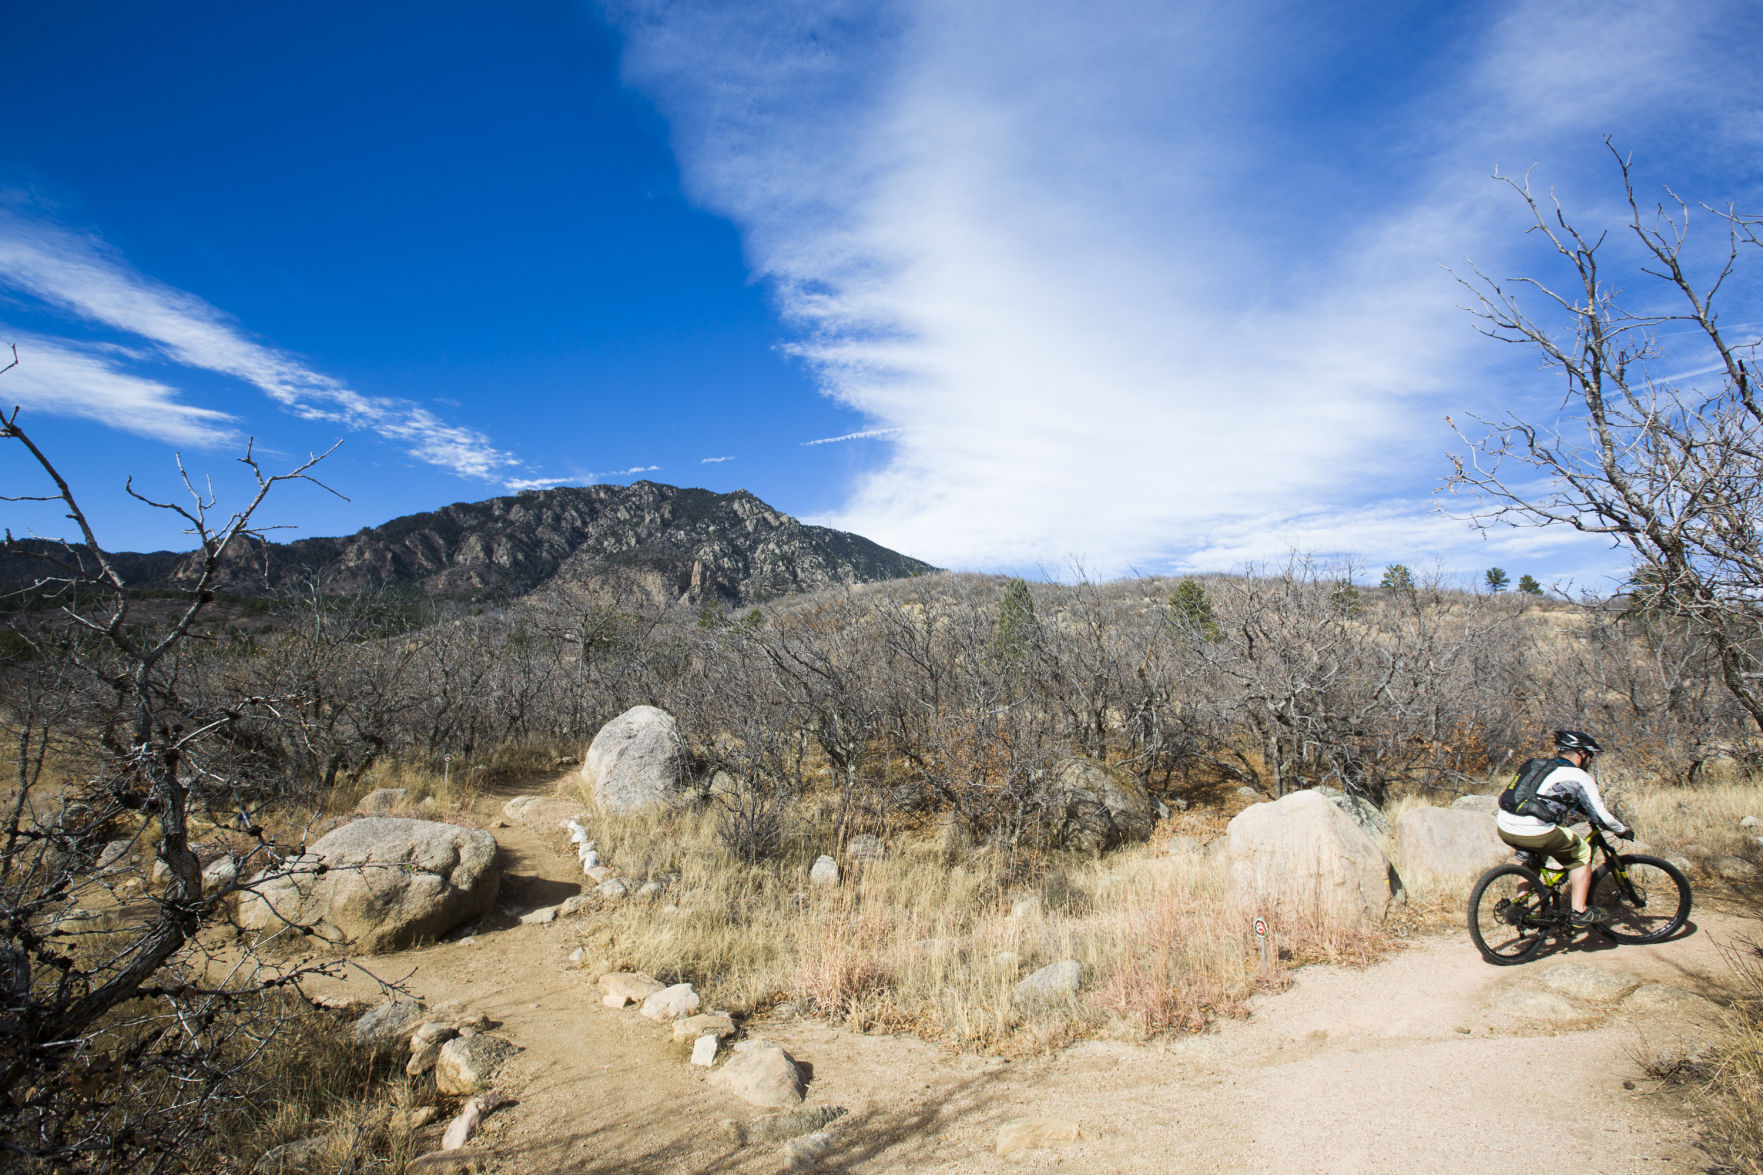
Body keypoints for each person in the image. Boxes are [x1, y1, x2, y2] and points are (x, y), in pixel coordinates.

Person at [1495, 730, 1634, 927]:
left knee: (1531, 858)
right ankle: (1579, 911)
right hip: (1535, 830)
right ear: (1581, 755)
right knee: (1581, 853)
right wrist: (1621, 830)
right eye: (1590, 756)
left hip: (1505, 826)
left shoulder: (1534, 765)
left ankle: (1521, 906)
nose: (1590, 761)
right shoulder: (1578, 776)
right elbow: (1602, 816)